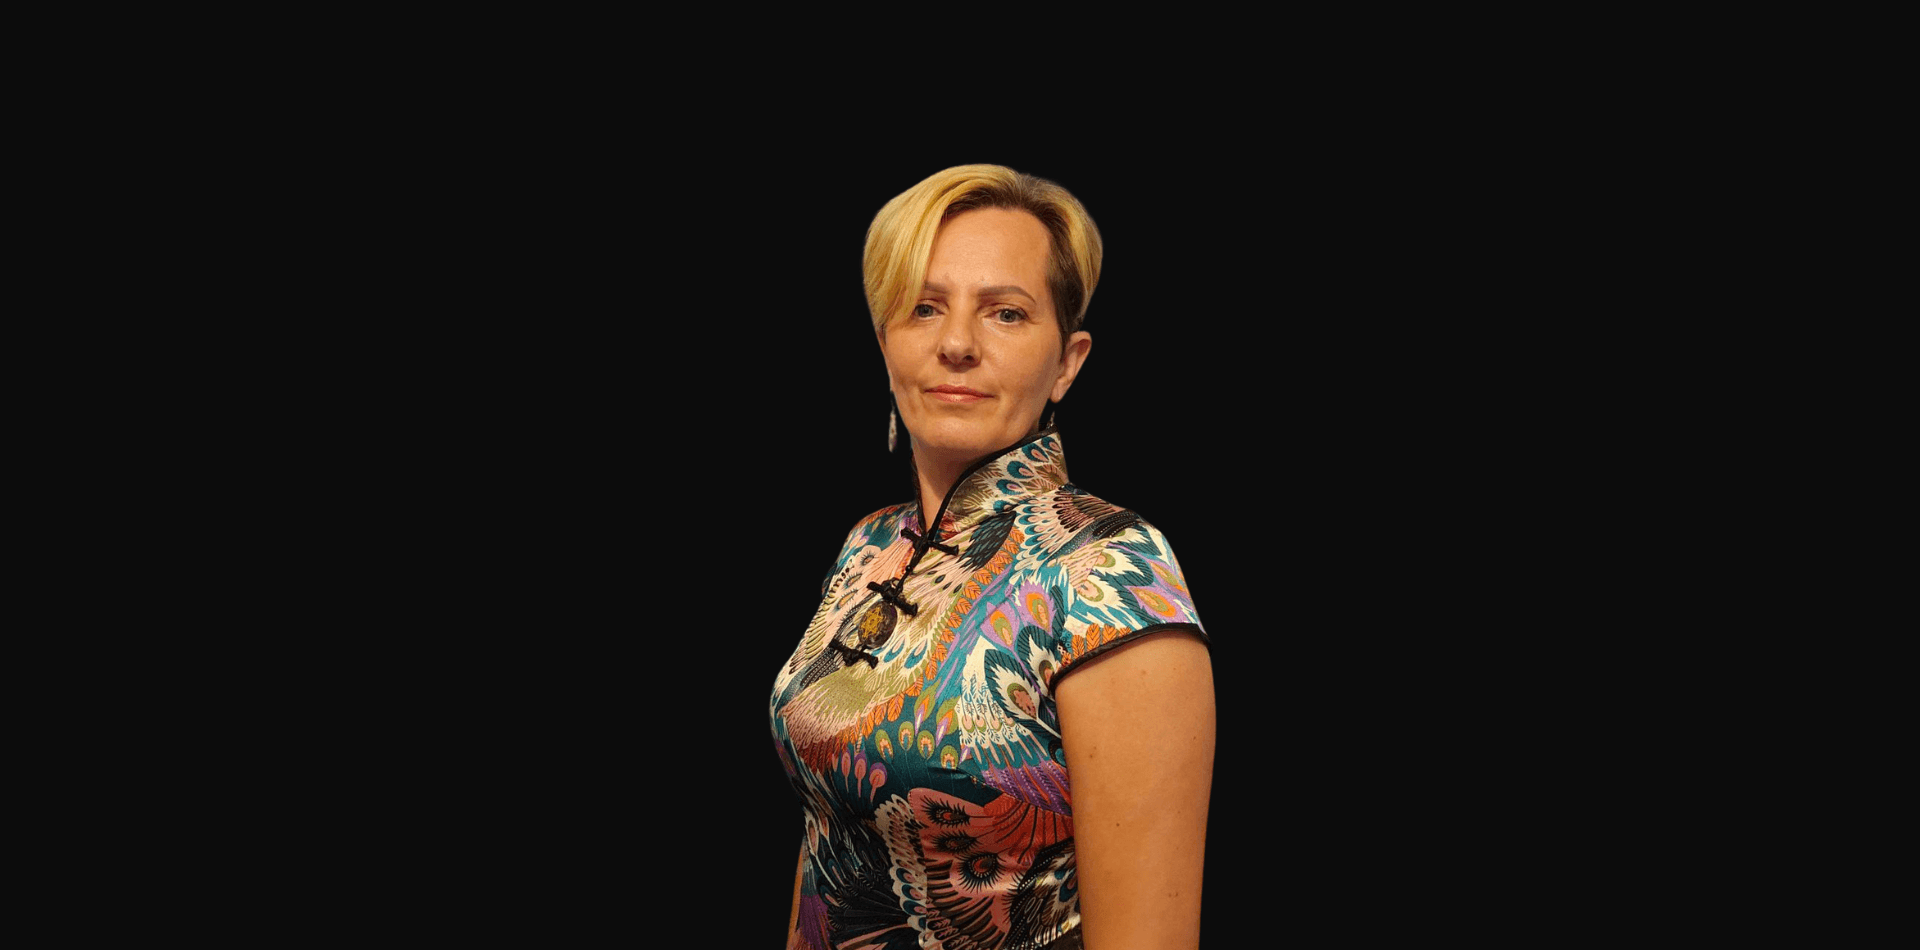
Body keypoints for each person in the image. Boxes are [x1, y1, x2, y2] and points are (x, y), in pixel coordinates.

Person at [771, 165, 1215, 950]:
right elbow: (827, 852)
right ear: (885, 343)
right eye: (924, 307)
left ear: (1068, 362)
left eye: (1006, 313)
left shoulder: (1110, 571)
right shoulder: (868, 546)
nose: (956, 345)